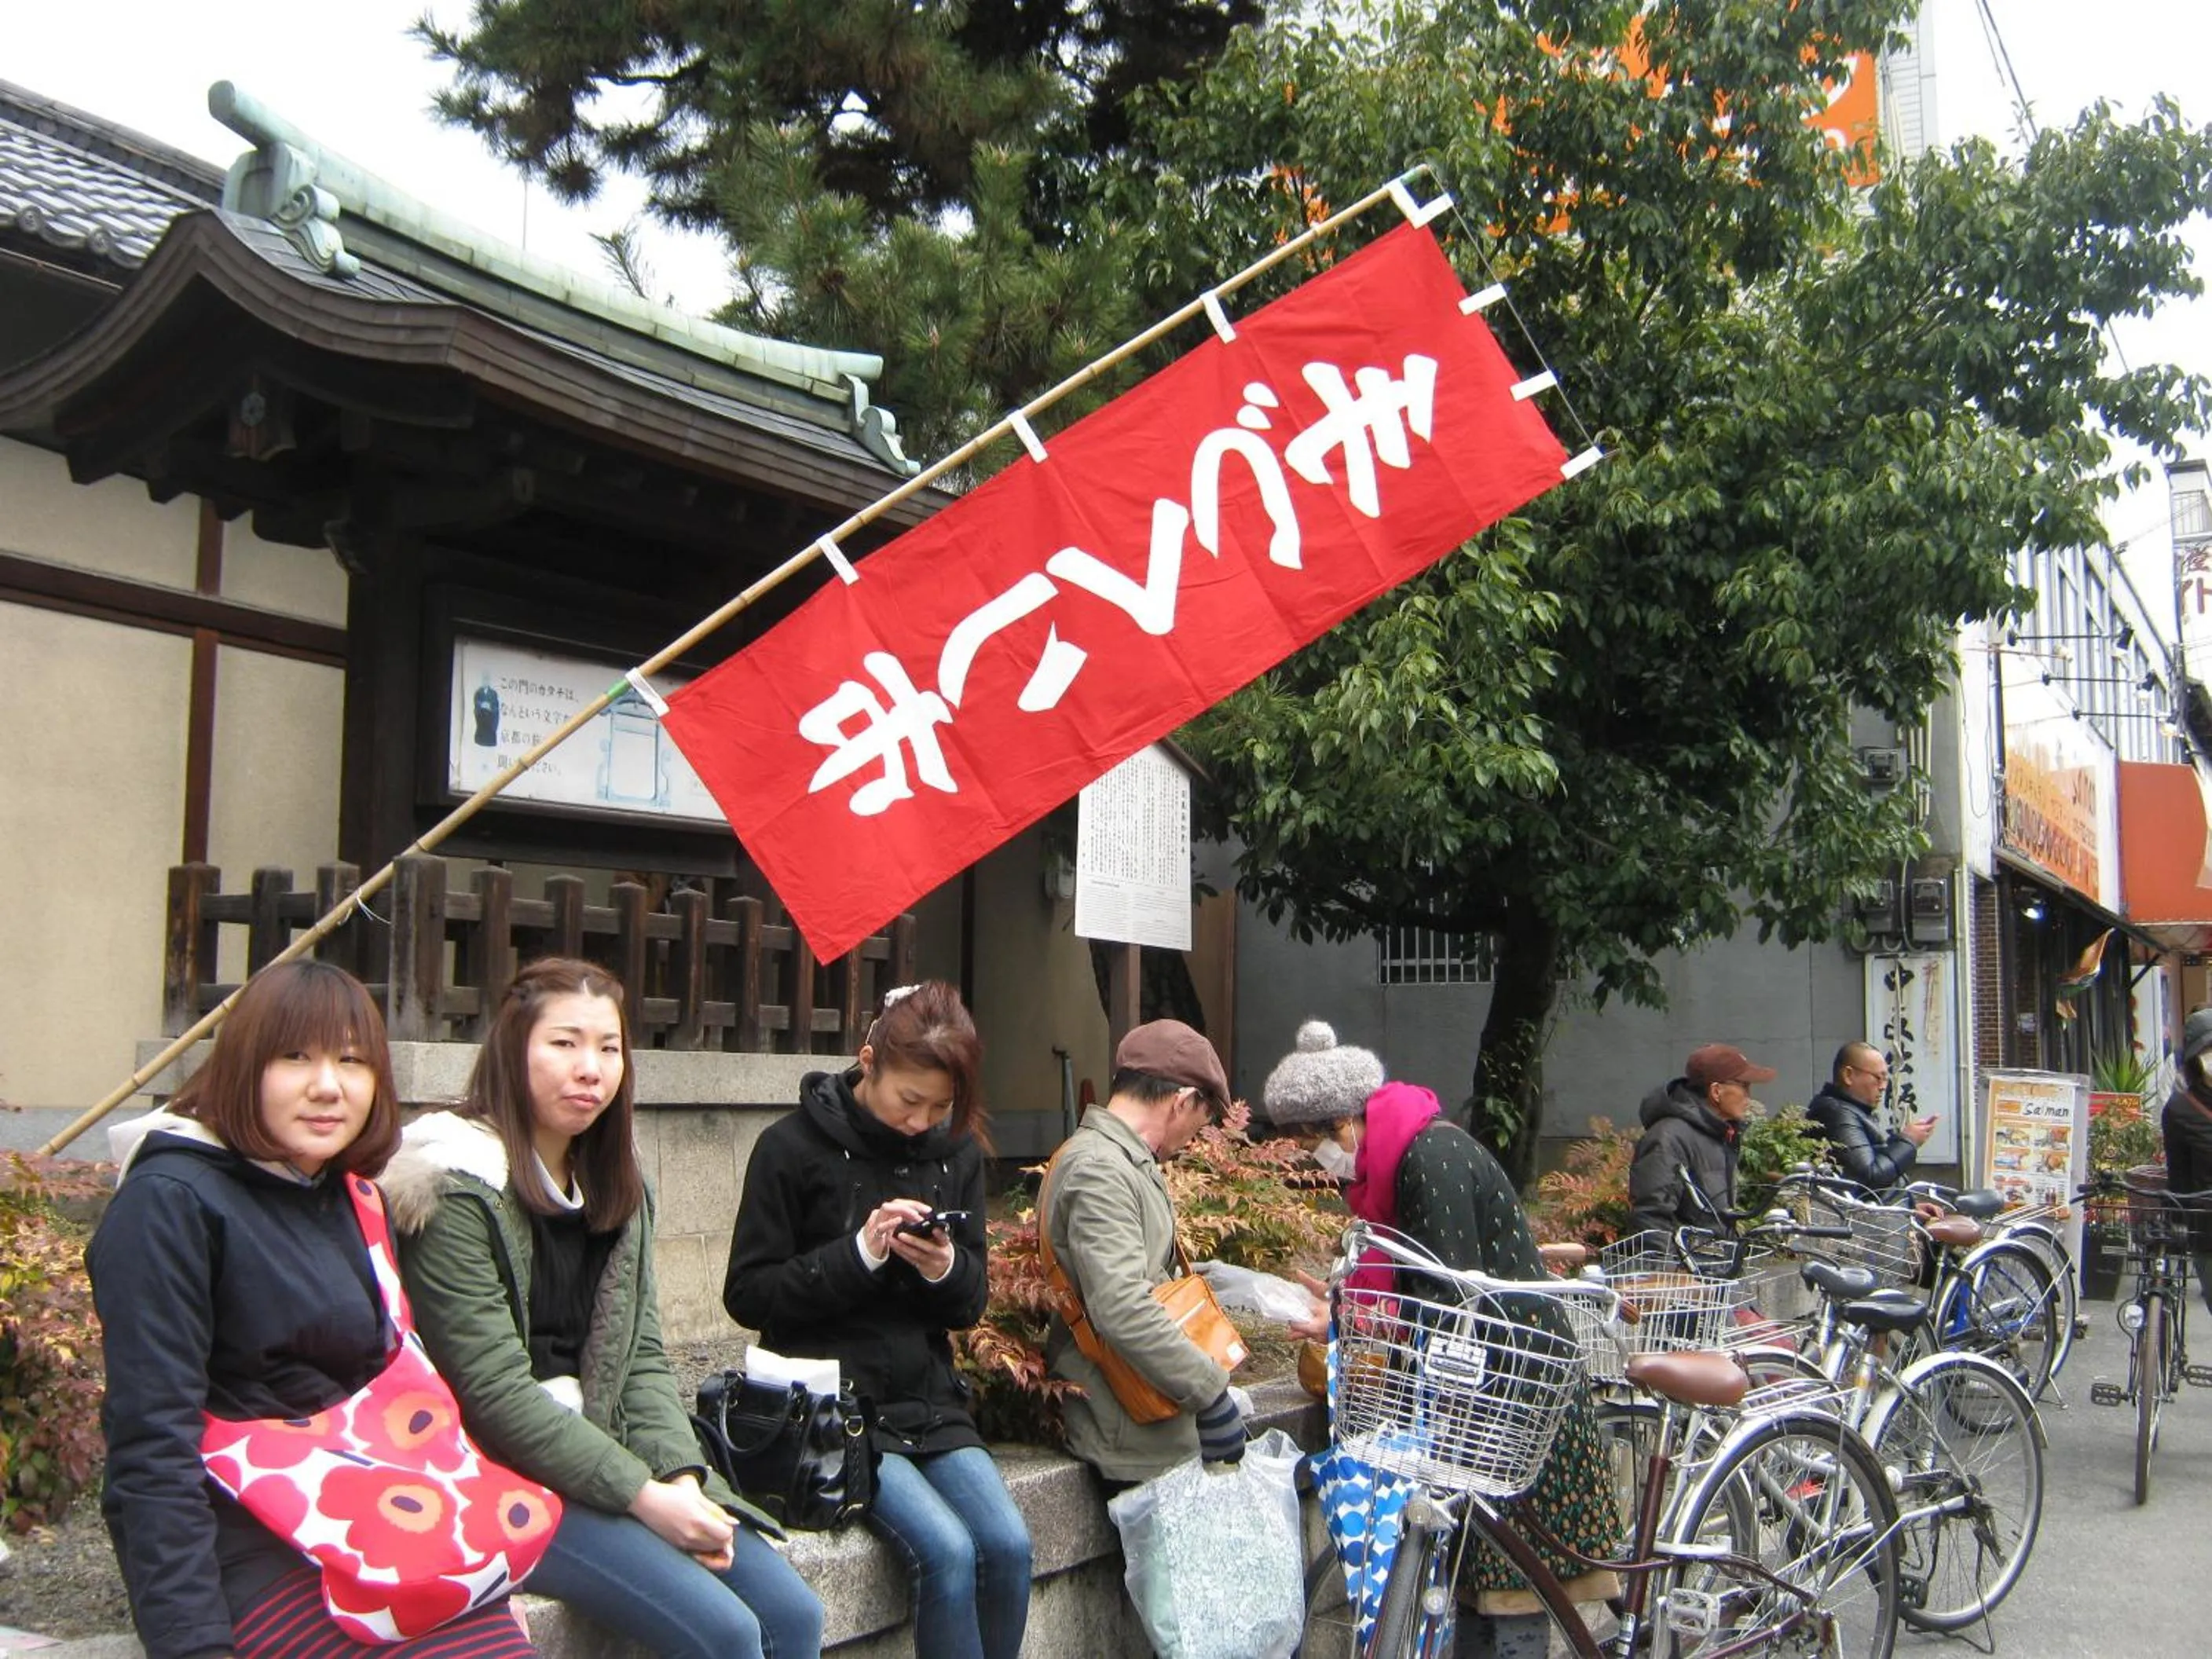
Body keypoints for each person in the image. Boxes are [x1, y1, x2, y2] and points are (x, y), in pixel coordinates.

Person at [87, 960, 537, 1659]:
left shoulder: (345, 1193)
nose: (328, 1085)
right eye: (295, 1057)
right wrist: (191, 1643)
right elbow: (150, 1444)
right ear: (244, 1065)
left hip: (377, 1517)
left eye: (353, 1061)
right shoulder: (169, 1203)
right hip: (249, 1544)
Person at [383, 958, 822, 1659]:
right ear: (511, 1047)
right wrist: (645, 1498)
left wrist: (678, 1472)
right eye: (564, 1044)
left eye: (609, 1048)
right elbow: (493, 1394)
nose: (590, 1068)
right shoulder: (454, 1187)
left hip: (610, 1452)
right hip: (494, 1476)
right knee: (730, 1634)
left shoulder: (615, 1185)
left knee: (794, 1615)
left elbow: (640, 1354)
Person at [1265, 1021, 1619, 1659]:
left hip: (1517, 1379)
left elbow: (1448, 1291)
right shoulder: (1391, 1167)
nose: (1314, 1160)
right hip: (1473, 1381)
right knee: (1472, 1576)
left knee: (1512, 1583)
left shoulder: (1431, 1159)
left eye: (1309, 1141)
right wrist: (1345, 1312)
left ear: (1344, 1123)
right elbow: (1414, 1282)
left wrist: (1356, 1323)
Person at [723, 981, 1031, 1659]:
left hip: (926, 1397)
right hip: (831, 1406)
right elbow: (747, 1294)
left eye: (942, 1107)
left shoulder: (955, 1154)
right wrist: (858, 1255)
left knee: (1009, 1545)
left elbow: (970, 1303)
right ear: (868, 1061)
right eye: (909, 1101)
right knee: (947, 1552)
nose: (921, 1120)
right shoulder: (791, 1147)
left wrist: (940, 1266)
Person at [1042, 1019, 1247, 1485]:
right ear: (1181, 1101)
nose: (1196, 1136)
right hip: (1128, 1433)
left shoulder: (1118, 1160)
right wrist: (1209, 1391)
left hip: (1143, 1418)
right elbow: (1123, 1306)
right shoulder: (1100, 1169)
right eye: (1202, 1119)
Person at [1625, 1043, 1776, 1236]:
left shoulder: (1720, 1133)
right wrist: (1669, 1267)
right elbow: (1651, 1219)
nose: (1749, 1097)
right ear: (1716, 1092)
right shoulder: (1668, 1138)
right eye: (1744, 1086)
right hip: (1685, 1262)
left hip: (1715, 1261)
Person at [1805, 1041, 1936, 1195]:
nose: (1883, 1087)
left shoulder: (1851, 1110)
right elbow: (1868, 1178)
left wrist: (1912, 1206)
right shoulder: (1836, 1113)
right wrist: (1907, 1142)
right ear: (1848, 1075)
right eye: (1878, 1078)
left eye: (1886, 1079)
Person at [2159, 1008, 2212, 1310]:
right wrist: (2177, 1228)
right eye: (2206, 1050)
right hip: (2207, 1230)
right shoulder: (2179, 1111)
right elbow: (2178, 1177)